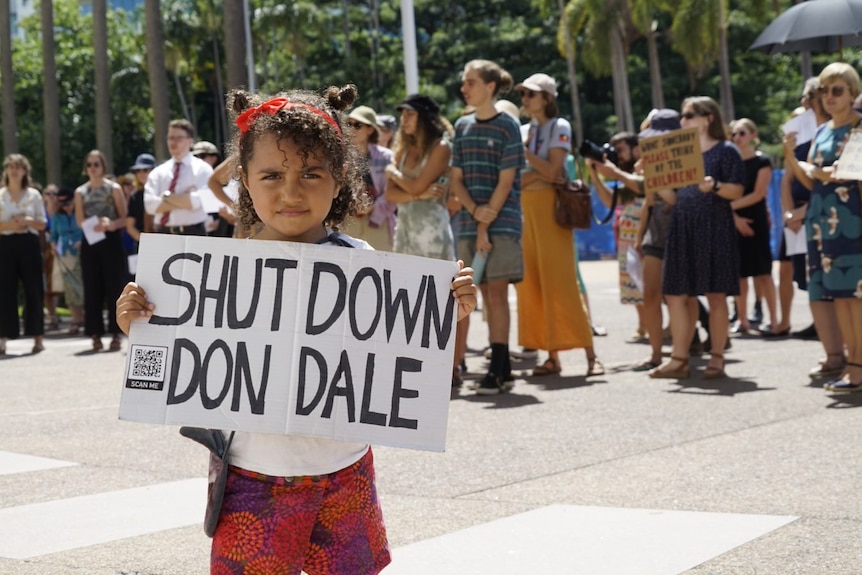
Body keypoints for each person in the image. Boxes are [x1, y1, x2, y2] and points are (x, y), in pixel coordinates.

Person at [116, 84, 478, 574]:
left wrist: (445, 312)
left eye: (311, 173)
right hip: (252, 476)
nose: (291, 191)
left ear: (340, 178)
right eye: (271, 175)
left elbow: (401, 349)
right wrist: (138, 322)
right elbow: (161, 368)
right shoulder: (214, 272)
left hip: (345, 473)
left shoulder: (363, 263)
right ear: (244, 179)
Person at [650, 96, 744, 380]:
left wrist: (714, 185)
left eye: (690, 115)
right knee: (676, 293)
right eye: (683, 115)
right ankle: (679, 358)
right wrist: (655, 179)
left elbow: (737, 191)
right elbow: (672, 198)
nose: (684, 121)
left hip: (714, 226)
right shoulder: (680, 152)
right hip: (683, 225)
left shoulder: (726, 151)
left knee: (715, 295)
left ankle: (717, 357)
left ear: (708, 118)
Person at [514, 72, 602, 377]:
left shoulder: (558, 126)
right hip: (528, 210)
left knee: (562, 282)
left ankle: (592, 355)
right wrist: (541, 174)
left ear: (548, 98)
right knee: (535, 284)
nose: (525, 99)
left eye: (531, 94)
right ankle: (552, 357)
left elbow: (555, 171)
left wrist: (528, 157)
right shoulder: (524, 129)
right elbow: (528, 176)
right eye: (524, 94)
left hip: (552, 211)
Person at [784, 62, 862, 393]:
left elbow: (854, 174)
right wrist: (789, 155)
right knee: (839, 296)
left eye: (837, 90)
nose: (828, 97)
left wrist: (837, 174)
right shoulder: (822, 131)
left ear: (853, 93)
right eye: (823, 91)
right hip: (823, 222)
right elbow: (810, 179)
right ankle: (850, 363)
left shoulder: (859, 129)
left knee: (856, 297)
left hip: (852, 220)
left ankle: (857, 368)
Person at [451, 58, 526, 394]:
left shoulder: (508, 126)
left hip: (503, 221)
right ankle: (503, 368)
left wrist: (486, 218)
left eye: (471, 82)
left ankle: (497, 368)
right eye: (465, 82)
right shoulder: (462, 127)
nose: (464, 88)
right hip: (469, 223)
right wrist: (475, 212)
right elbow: (456, 180)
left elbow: (506, 180)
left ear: (490, 86)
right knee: (470, 293)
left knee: (497, 293)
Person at [632, 109, 682, 371]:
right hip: (656, 232)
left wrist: (653, 175)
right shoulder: (651, 163)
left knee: (680, 296)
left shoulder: (688, 161)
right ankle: (655, 354)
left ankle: (681, 351)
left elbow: (675, 199)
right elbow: (649, 203)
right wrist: (639, 237)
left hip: (682, 230)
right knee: (650, 294)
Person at [781, 79, 830, 342]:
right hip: (803, 219)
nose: (804, 103)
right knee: (813, 284)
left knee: (840, 290)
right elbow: (789, 179)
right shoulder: (801, 134)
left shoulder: (842, 131)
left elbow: (836, 182)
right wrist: (790, 213)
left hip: (829, 216)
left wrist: (804, 211)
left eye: (809, 97)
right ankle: (832, 352)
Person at [587, 132, 646, 341]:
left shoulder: (646, 168)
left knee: (655, 285)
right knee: (635, 284)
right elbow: (611, 201)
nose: (617, 155)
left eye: (620, 149)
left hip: (645, 238)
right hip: (628, 238)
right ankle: (644, 325)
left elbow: (643, 186)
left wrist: (615, 173)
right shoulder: (627, 176)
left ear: (636, 148)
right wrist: (594, 174)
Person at [385, 93, 454, 260]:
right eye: (403, 114)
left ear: (424, 118)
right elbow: (390, 195)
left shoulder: (441, 147)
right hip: (404, 233)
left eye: (410, 114)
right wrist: (419, 196)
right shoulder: (404, 149)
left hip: (431, 232)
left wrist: (393, 172)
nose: (404, 119)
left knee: (437, 285)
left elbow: (417, 186)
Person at [75, 150, 129, 351]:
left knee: (114, 285)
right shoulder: (80, 192)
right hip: (90, 241)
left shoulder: (113, 189)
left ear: (103, 166)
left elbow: (124, 217)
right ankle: (95, 333)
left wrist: (110, 224)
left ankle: (116, 332)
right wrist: (93, 224)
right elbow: (79, 220)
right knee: (92, 286)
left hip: (111, 240)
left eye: (96, 164)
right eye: (89, 164)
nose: (93, 168)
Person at [729, 118, 779, 335]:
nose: (737, 138)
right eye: (734, 134)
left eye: (741, 133)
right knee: (739, 275)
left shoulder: (762, 162)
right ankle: (742, 320)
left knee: (763, 273)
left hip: (755, 220)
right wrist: (733, 216)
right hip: (733, 221)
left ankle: (774, 320)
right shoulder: (730, 163)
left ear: (752, 135)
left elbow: (758, 194)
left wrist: (728, 207)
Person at [0, 154, 47, 355]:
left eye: (18, 167)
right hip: (5, 243)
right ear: (6, 170)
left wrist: (26, 221)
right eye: (11, 167)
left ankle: (37, 337)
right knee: (4, 291)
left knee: (34, 289)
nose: (14, 170)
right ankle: (3, 338)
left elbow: (43, 223)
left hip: (29, 243)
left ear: (25, 171)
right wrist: (12, 224)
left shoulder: (34, 195)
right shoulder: (0, 195)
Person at [144, 119, 214, 235]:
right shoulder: (158, 172)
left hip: (193, 232)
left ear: (190, 141)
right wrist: (185, 198)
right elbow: (150, 206)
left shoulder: (202, 169)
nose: (173, 142)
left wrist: (165, 196)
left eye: (179, 138)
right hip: (163, 232)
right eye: (171, 138)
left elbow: (197, 202)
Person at [342, 105, 396, 251]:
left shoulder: (386, 157)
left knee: (381, 264)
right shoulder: (341, 155)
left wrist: (372, 208)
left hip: (379, 220)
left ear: (370, 130)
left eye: (357, 125)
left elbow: (394, 191)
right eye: (349, 124)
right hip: (348, 221)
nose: (352, 129)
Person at [49, 187, 84, 334]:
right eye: (63, 204)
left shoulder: (81, 213)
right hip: (64, 255)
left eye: (69, 203)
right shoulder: (57, 216)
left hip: (81, 254)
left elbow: (87, 229)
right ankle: (75, 320)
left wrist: (82, 242)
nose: (66, 207)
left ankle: (86, 317)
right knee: (70, 289)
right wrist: (53, 246)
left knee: (83, 287)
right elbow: (53, 236)